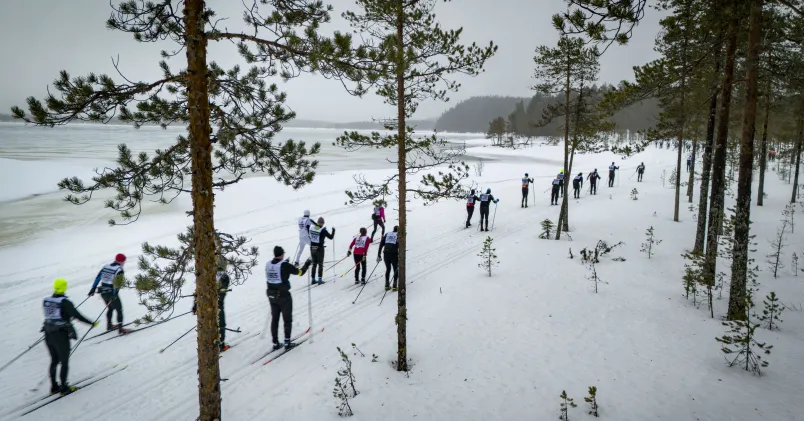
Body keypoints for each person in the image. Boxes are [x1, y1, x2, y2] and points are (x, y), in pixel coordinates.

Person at [43, 278, 98, 395]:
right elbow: (77, 316)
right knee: (64, 361)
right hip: (60, 335)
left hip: (48, 334)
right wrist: (91, 323)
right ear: (64, 287)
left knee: (54, 360)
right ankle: (64, 388)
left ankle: (54, 387)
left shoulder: (46, 301)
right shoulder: (65, 302)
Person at [265, 246, 311, 350]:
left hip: (271, 295)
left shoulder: (268, 264)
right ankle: (287, 342)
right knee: (287, 319)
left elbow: (275, 271)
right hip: (284, 296)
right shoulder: (284, 265)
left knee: (275, 319)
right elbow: (300, 272)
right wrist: (307, 264)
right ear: (281, 255)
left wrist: (284, 265)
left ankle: (275, 342)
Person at [88, 254, 130, 334]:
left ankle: (109, 325)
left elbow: (98, 278)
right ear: (121, 261)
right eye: (124, 261)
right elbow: (117, 284)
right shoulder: (119, 269)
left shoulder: (106, 266)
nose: (124, 263)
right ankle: (121, 329)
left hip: (103, 292)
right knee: (119, 310)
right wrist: (115, 294)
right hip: (111, 292)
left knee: (110, 308)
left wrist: (93, 289)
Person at [191, 268, 231, 351]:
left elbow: (198, 291)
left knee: (210, 325)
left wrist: (196, 305)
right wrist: (196, 305)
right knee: (220, 324)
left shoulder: (204, 272)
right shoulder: (223, 276)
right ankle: (219, 346)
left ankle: (212, 346)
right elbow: (199, 291)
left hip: (209, 305)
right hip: (215, 306)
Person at [308, 217, 335, 285]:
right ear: (322, 223)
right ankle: (320, 279)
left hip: (312, 247)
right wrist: (333, 231)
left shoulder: (312, 228)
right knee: (320, 264)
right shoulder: (323, 230)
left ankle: (313, 280)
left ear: (317, 222)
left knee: (314, 264)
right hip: (320, 248)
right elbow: (331, 237)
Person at [377, 226, 399, 291]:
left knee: (388, 268)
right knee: (395, 269)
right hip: (394, 254)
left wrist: (379, 254)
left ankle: (387, 285)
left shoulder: (387, 234)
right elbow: (399, 244)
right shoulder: (398, 235)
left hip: (386, 253)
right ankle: (394, 285)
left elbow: (381, 244)